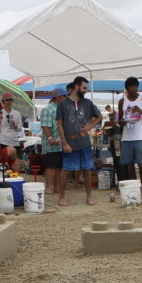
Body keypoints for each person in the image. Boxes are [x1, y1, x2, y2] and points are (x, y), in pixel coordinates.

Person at [56, 76, 102, 206]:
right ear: (76, 86)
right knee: (66, 170)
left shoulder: (87, 103)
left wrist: (90, 126)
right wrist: (64, 143)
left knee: (87, 169)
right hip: (70, 143)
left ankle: (89, 196)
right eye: (84, 87)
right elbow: (59, 124)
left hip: (85, 142)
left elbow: (99, 116)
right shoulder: (63, 104)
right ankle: (62, 196)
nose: (86, 90)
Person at [117, 77, 142, 187]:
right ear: (127, 88)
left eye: (136, 86)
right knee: (129, 164)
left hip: (140, 138)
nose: (135, 88)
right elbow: (120, 120)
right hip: (126, 137)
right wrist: (121, 122)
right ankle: (135, 186)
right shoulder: (122, 101)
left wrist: (141, 111)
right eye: (132, 86)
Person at [39, 88, 66, 195]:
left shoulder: (61, 109)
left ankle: (57, 187)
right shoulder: (48, 109)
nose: (65, 98)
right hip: (51, 143)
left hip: (60, 142)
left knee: (59, 167)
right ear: (58, 97)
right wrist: (50, 138)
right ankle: (49, 187)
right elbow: (45, 126)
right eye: (64, 96)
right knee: (51, 167)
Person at [0, 92, 24, 165]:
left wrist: (15, 126)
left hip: (14, 140)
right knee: (4, 162)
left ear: (13, 101)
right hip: (3, 140)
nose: (9, 102)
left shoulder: (17, 113)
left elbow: (20, 128)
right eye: (7, 100)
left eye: (10, 100)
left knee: (14, 162)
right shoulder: (0, 112)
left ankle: (14, 175)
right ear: (3, 101)